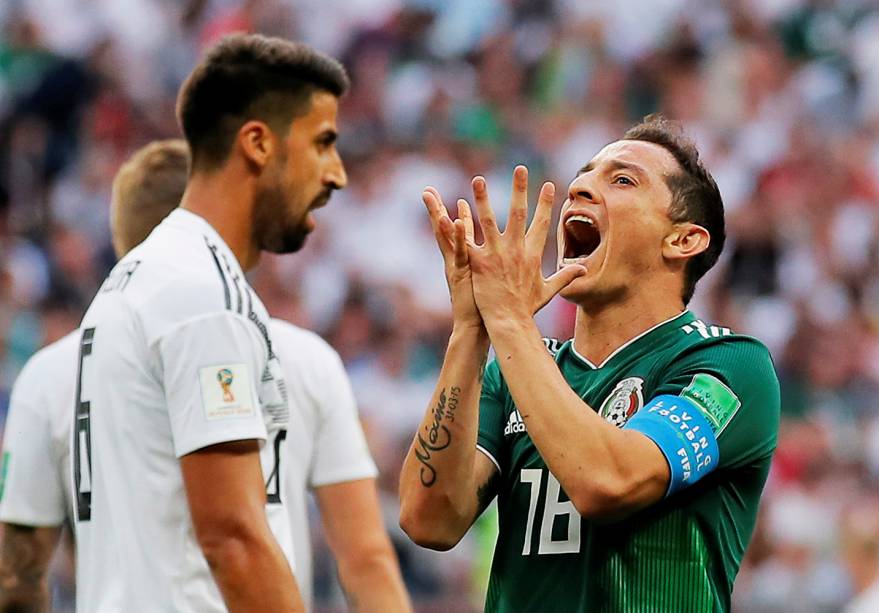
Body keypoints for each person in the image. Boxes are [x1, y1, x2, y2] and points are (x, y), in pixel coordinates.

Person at [0, 138, 411, 611]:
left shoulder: (49, 374)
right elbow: (365, 557)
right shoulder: (309, 359)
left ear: (122, 239)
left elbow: (20, 571)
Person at [399, 115, 781, 612]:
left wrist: (509, 320)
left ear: (682, 240)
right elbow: (429, 520)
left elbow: (609, 480)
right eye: (584, 175)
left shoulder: (726, 365)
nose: (580, 188)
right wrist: (472, 330)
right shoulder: (517, 370)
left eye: (622, 179)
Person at [72, 34, 348, 612]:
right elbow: (233, 539)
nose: (337, 174)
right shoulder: (202, 293)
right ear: (257, 143)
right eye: (323, 144)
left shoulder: (141, 276)